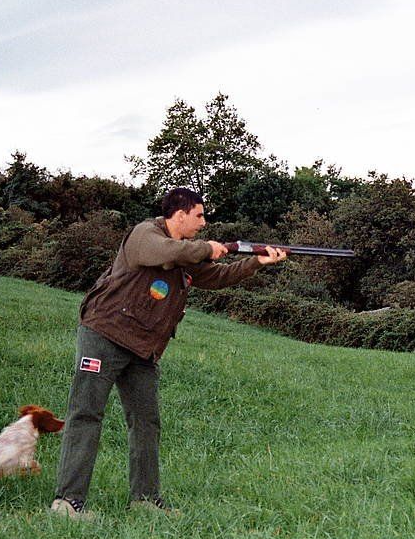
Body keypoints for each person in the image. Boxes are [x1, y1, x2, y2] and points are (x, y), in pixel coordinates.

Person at [50, 187, 287, 518]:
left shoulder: (185, 255)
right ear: (180, 215)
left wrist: (255, 262)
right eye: (200, 216)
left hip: (143, 347)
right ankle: (67, 503)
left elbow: (215, 276)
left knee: (146, 421)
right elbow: (162, 252)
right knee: (86, 414)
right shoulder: (145, 234)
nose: (204, 223)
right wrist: (206, 248)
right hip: (104, 334)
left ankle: (145, 501)